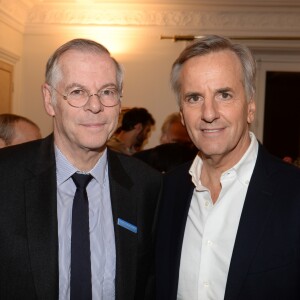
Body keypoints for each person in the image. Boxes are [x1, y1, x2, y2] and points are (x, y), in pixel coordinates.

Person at [0, 38, 162, 300]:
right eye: (77, 92)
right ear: (49, 99)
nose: (95, 106)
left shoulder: (147, 186)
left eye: (107, 91)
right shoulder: (5, 177)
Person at [156, 35, 300, 300]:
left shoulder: (293, 194)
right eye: (194, 97)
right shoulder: (165, 191)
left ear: (250, 107)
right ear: (182, 114)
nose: (209, 113)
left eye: (224, 94)